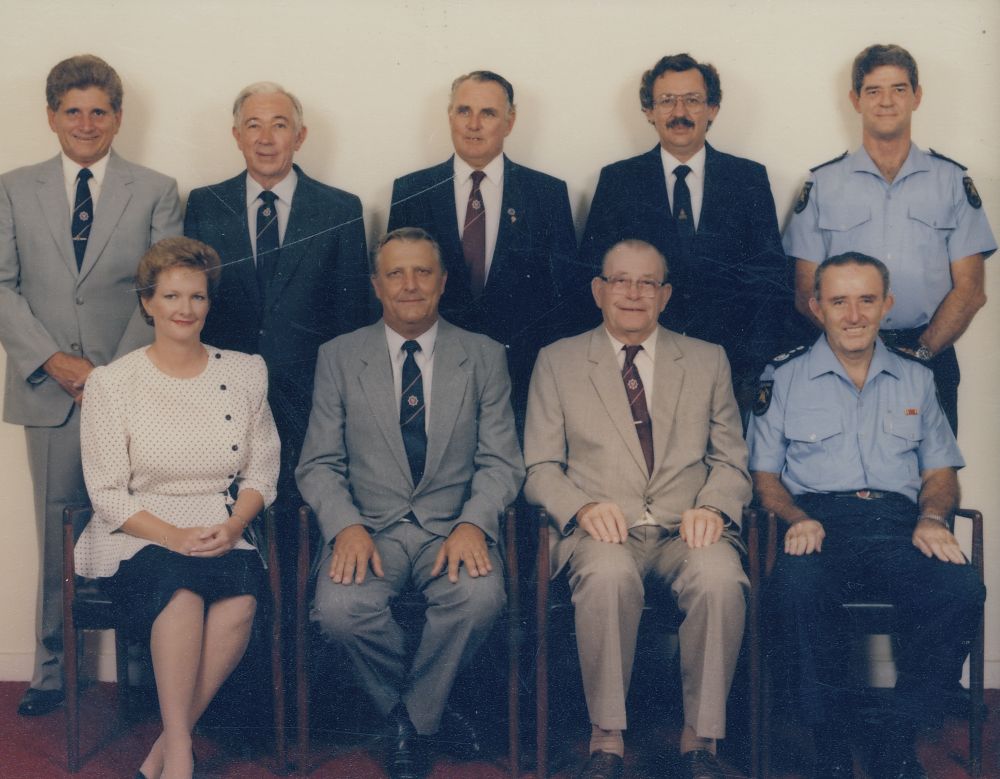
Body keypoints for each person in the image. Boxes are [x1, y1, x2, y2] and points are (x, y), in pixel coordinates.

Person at [296, 227, 524, 779]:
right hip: (369, 530)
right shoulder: (339, 356)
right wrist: (345, 527)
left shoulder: (485, 356)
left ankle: (411, 722)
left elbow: (502, 461)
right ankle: (432, 715)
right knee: (339, 611)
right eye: (395, 273)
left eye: (423, 271)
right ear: (376, 285)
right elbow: (318, 463)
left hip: (451, 530)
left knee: (478, 599)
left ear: (443, 281)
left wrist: (474, 523)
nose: (410, 284)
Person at [747, 253, 985, 779]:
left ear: (887, 305)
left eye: (866, 300)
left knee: (959, 589)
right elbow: (764, 477)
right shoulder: (783, 378)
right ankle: (829, 742)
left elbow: (940, 472)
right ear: (816, 307)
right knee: (796, 588)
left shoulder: (917, 378)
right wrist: (794, 517)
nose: (853, 314)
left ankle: (896, 739)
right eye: (838, 301)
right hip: (817, 523)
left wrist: (932, 518)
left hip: (900, 527)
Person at [524, 239, 751, 779]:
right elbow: (538, 467)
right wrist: (579, 508)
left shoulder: (706, 358)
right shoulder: (557, 361)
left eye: (647, 282)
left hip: (685, 528)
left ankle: (701, 742)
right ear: (599, 290)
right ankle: (607, 739)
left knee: (720, 578)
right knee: (607, 576)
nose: (633, 293)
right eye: (620, 281)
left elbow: (732, 460)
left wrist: (715, 508)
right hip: (601, 531)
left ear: (665, 295)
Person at [0, 54, 182, 717]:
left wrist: (108, 377)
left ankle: (140, 670)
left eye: (98, 111)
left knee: (135, 525)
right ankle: (51, 669)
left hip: (131, 388)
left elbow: (163, 287)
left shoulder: (157, 188)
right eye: (71, 110)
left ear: (118, 118)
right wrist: (54, 360)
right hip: (47, 392)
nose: (85, 123)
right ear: (50, 116)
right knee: (56, 531)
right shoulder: (13, 187)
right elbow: (1, 286)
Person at [76, 237, 280, 779]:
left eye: (196, 296)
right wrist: (172, 535)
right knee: (182, 589)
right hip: (138, 526)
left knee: (239, 599)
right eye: (170, 296)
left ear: (210, 302)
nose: (185, 309)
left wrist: (236, 523)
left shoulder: (244, 371)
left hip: (219, 520)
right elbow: (107, 492)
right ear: (147, 302)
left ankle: (163, 751)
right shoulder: (111, 383)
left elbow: (262, 472)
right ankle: (182, 760)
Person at [184, 81, 371, 591]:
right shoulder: (204, 204)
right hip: (221, 399)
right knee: (231, 530)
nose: (266, 138)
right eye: (253, 125)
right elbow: (190, 306)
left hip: (309, 400)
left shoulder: (339, 209)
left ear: (300, 135)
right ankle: (245, 657)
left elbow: (352, 318)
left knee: (299, 525)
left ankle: (297, 656)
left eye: (279, 125)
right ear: (236, 136)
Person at [784, 43, 995, 435]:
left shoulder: (951, 182)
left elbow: (970, 290)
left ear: (917, 97)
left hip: (931, 354)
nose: (886, 102)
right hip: (842, 358)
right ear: (855, 99)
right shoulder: (823, 184)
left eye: (899, 89)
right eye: (873, 90)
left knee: (932, 482)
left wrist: (922, 353)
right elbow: (804, 291)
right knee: (846, 481)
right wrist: (858, 352)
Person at [578, 53, 788, 411]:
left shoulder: (749, 179)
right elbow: (592, 279)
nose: (680, 112)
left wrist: (753, 371)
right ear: (648, 111)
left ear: (713, 109)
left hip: (730, 369)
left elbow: (768, 282)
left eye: (692, 100)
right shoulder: (618, 181)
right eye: (666, 101)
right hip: (638, 362)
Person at [387, 70, 578, 430]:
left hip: (521, 381)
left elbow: (563, 304)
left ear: (510, 121)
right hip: (432, 374)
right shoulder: (412, 192)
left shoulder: (547, 195)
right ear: (449, 116)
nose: (473, 125)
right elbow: (394, 297)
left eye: (488, 113)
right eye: (463, 111)